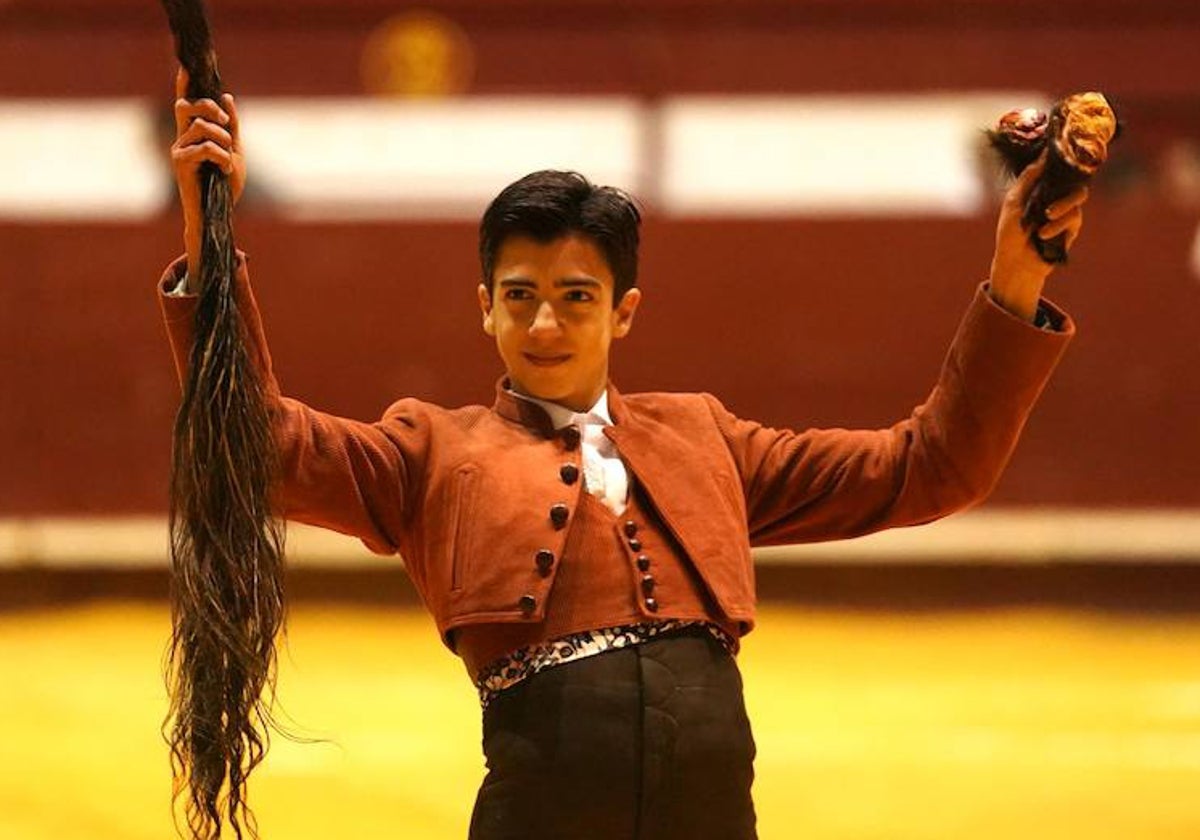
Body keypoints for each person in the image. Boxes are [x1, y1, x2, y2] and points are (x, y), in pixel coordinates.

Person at [161, 69, 1086, 840]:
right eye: (518, 296)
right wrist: (213, 232)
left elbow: (930, 467)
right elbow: (260, 444)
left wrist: (1019, 273)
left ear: (624, 311)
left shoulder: (706, 438)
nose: (544, 322)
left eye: (574, 295)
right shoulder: (428, 453)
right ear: (483, 305)